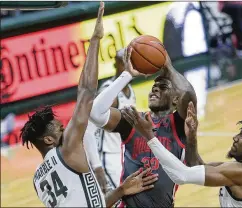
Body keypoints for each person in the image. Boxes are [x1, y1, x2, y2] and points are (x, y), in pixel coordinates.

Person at [20, 3, 158, 207]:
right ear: (49, 139)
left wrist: (121, 190)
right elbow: (85, 92)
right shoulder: (67, 149)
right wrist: (95, 39)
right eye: (60, 129)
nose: (66, 129)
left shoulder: (38, 181)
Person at [89, 47, 198, 207]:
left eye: (163, 87)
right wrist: (127, 75)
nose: (155, 88)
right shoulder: (134, 118)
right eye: (154, 86)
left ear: (176, 101)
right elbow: (94, 112)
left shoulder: (179, 124)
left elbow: (190, 97)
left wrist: (168, 67)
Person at [123, 102, 242, 207]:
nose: (235, 138)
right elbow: (196, 166)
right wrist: (191, 136)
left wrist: (149, 136)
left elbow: (182, 175)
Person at [88, 48, 136, 193]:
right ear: (117, 65)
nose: (129, 67)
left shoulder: (130, 91)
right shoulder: (109, 92)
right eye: (125, 63)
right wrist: (97, 166)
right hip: (106, 157)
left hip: (122, 154)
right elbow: (88, 129)